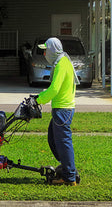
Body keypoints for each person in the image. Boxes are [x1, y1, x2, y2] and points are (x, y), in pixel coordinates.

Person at [36, 37, 79, 186]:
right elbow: (55, 88)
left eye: (46, 50)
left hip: (63, 110)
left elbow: (54, 89)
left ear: (52, 51)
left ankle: (69, 177)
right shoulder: (63, 61)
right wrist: (40, 96)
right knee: (53, 138)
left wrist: (38, 100)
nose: (44, 54)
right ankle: (68, 166)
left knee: (63, 143)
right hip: (62, 109)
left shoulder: (62, 64)